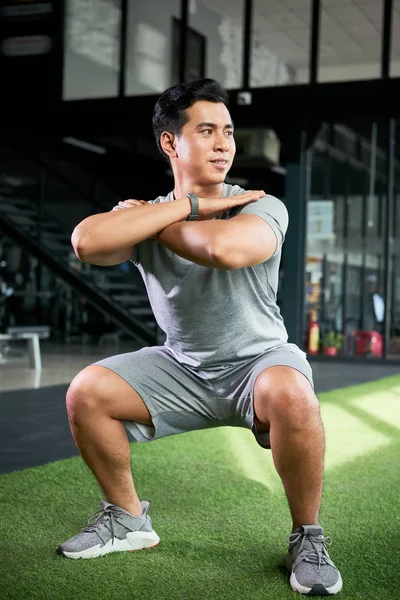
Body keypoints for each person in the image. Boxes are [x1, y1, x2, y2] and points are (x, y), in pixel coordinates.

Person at [58, 79, 342, 596]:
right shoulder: (151, 213)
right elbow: (85, 242)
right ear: (171, 143)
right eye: (206, 130)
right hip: (181, 367)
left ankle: (308, 535)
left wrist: (146, 219)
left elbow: (227, 250)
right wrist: (182, 207)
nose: (224, 144)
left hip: (258, 364)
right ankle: (127, 520)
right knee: (87, 392)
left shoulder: (262, 204)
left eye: (228, 132)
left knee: (293, 393)